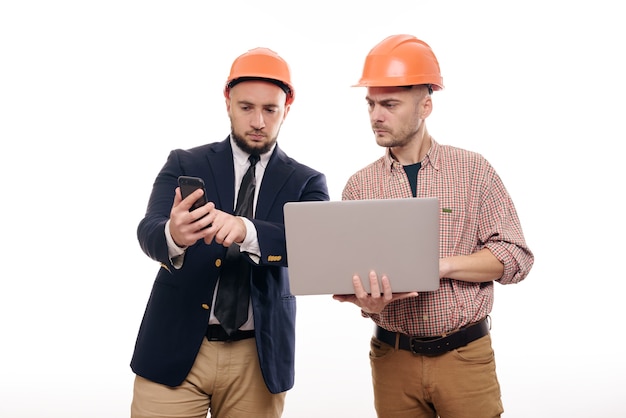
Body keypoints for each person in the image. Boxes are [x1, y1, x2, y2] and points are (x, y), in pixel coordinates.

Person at [333, 34, 534, 418]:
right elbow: (356, 273)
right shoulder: (359, 186)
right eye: (371, 104)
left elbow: (516, 257)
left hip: (464, 358)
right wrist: (367, 303)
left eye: (389, 105)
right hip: (392, 360)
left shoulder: (473, 170)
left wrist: (441, 266)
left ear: (426, 105)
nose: (376, 115)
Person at [130, 47, 329, 418]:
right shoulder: (183, 162)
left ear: (288, 106)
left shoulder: (306, 182)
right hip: (174, 348)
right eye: (246, 107)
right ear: (227, 101)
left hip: (258, 358)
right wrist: (173, 234)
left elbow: (312, 248)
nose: (258, 121)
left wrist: (246, 229)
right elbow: (149, 231)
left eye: (270, 109)